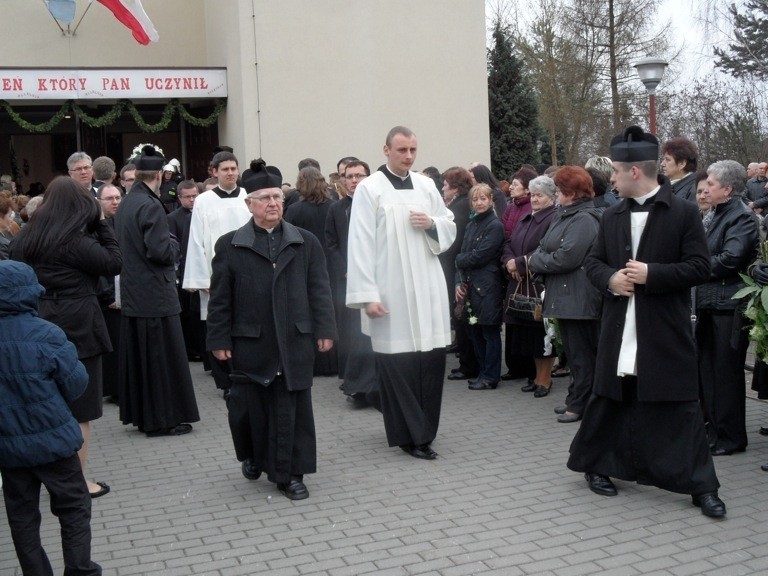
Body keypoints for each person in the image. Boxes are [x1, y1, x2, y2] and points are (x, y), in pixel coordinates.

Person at [570, 125, 725, 518]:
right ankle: (598, 466)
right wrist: (610, 279)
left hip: (664, 330)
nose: (612, 180)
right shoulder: (611, 215)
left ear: (634, 172)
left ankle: (702, 487)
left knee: (681, 407)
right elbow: (592, 263)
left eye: (616, 172)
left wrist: (651, 274)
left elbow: (699, 267)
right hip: (620, 327)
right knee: (610, 401)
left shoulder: (685, 213)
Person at [206, 161, 337, 500]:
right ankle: (251, 455)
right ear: (249, 204)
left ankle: (291, 473)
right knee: (250, 409)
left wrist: (325, 329)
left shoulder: (304, 242)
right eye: (263, 198)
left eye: (277, 196)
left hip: (294, 338)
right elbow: (220, 299)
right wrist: (219, 339)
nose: (272, 203)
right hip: (251, 341)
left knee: (292, 407)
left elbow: (320, 290)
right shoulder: (231, 245)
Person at [346, 125, 456, 460]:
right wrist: (368, 295)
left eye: (413, 150)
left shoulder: (425, 185)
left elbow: (448, 222)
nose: (408, 157)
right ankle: (411, 435)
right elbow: (360, 243)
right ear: (386, 150)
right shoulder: (370, 189)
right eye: (402, 150)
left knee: (430, 361)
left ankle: (425, 432)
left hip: (426, 285)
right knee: (397, 365)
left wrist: (433, 225)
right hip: (390, 290)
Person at [10, 176, 122, 498]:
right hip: (80, 325)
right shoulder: (75, 240)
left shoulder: (25, 238)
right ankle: (78, 481)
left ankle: (44, 475)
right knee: (81, 408)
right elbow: (114, 263)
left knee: (44, 402)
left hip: (37, 323)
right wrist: (101, 224)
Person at [0, 260, 102, 576]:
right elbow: (75, 383)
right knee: (73, 506)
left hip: (8, 444)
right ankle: (80, 569)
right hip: (53, 440)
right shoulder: (46, 333)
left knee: (22, 516)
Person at [114, 144, 200, 437]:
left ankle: (145, 416)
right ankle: (161, 420)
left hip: (136, 292)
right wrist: (174, 243)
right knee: (159, 360)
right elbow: (160, 251)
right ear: (161, 176)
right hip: (154, 294)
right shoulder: (150, 205)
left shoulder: (128, 201)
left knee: (144, 359)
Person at [528, 167, 602, 419]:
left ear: (571, 193)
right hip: (565, 296)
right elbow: (542, 247)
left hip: (579, 299)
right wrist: (539, 258)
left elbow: (566, 257)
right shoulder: (564, 215)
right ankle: (576, 397)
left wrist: (534, 262)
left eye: (559, 190)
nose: (557, 194)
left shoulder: (584, 219)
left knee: (582, 356)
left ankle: (582, 404)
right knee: (572, 353)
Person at [696, 160, 760, 456]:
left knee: (726, 374)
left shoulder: (741, 217)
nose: (705, 189)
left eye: (710, 184)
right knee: (708, 372)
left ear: (728, 189)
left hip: (728, 306)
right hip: (710, 304)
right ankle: (715, 431)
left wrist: (692, 268)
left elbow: (730, 259)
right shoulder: (715, 214)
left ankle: (731, 437)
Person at [182, 152, 252, 395]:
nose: (231, 173)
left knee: (245, 324)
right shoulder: (204, 201)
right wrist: (201, 278)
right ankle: (225, 381)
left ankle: (246, 374)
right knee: (220, 325)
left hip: (248, 273)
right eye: (225, 169)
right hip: (216, 275)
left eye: (234, 168)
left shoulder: (248, 197)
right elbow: (196, 240)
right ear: (214, 172)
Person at [325, 160, 377, 404]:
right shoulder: (336, 209)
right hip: (347, 280)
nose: (354, 180)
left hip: (375, 279)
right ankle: (351, 377)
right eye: (350, 176)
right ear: (342, 179)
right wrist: (344, 269)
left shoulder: (378, 204)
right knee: (350, 330)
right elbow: (332, 243)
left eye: (359, 175)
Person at [501, 175, 558, 396]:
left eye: (540, 195)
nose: (534, 199)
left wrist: (521, 264)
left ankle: (545, 379)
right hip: (519, 284)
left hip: (539, 285)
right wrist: (509, 262)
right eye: (533, 194)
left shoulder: (553, 218)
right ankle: (536, 376)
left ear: (552, 197)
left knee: (542, 335)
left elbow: (546, 249)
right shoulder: (526, 217)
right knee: (529, 336)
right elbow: (509, 242)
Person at [285, 165, 338, 376]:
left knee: (309, 311)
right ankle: (333, 360)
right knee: (330, 309)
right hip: (331, 264)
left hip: (305, 266)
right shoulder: (334, 206)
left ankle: (314, 361)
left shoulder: (295, 210)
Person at [455, 183, 505, 390]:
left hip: (487, 287)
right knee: (475, 330)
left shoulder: (494, 226)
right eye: (475, 199)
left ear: (491, 200)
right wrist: (459, 281)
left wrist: (460, 259)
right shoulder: (471, 224)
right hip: (472, 287)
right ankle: (482, 371)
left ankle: (491, 376)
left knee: (489, 331)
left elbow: (479, 256)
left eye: (483, 198)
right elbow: (465, 255)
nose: (479, 203)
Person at [441, 167, 480, 382]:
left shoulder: (459, 207)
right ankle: (468, 363)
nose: (443, 188)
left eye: (445, 185)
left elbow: (451, 242)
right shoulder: (461, 204)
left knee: (461, 317)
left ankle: (469, 365)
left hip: (456, 270)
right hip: (457, 268)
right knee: (461, 317)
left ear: (455, 187)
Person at [167, 180, 204, 361]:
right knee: (187, 314)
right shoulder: (173, 218)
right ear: (179, 197)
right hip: (182, 272)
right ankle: (190, 349)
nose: (192, 200)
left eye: (194, 196)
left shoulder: (203, 213)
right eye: (187, 197)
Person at [95, 183, 123, 402]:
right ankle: (113, 388)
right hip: (106, 297)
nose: (115, 202)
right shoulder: (94, 226)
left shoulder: (122, 222)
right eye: (109, 198)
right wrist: (109, 293)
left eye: (118, 197)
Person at [660, 136, 699, 202]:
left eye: (667, 159)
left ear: (682, 164)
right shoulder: (668, 188)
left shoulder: (695, 190)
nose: (662, 164)